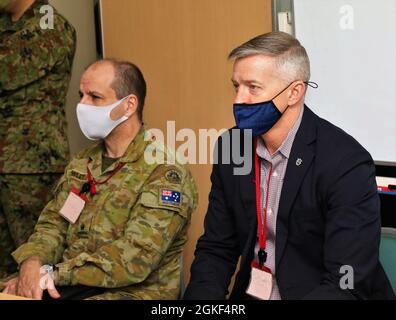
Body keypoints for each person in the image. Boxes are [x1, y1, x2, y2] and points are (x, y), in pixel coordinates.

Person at [184, 32, 394, 300]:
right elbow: (217, 248)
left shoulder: (345, 162)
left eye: (253, 87)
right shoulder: (232, 147)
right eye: (236, 86)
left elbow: (346, 278)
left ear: (294, 92)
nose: (238, 100)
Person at [0, 59, 198, 300]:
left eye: (94, 97)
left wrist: (53, 274)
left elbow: (133, 259)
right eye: (81, 95)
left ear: (128, 105)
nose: (82, 105)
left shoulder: (164, 171)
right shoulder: (82, 163)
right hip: (69, 283)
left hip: (131, 292)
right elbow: (54, 224)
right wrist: (32, 262)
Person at [0, 0, 76, 277]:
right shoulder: (5, 25)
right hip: (8, 165)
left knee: (34, 266)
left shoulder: (50, 24)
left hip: (32, 168)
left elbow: (6, 72)